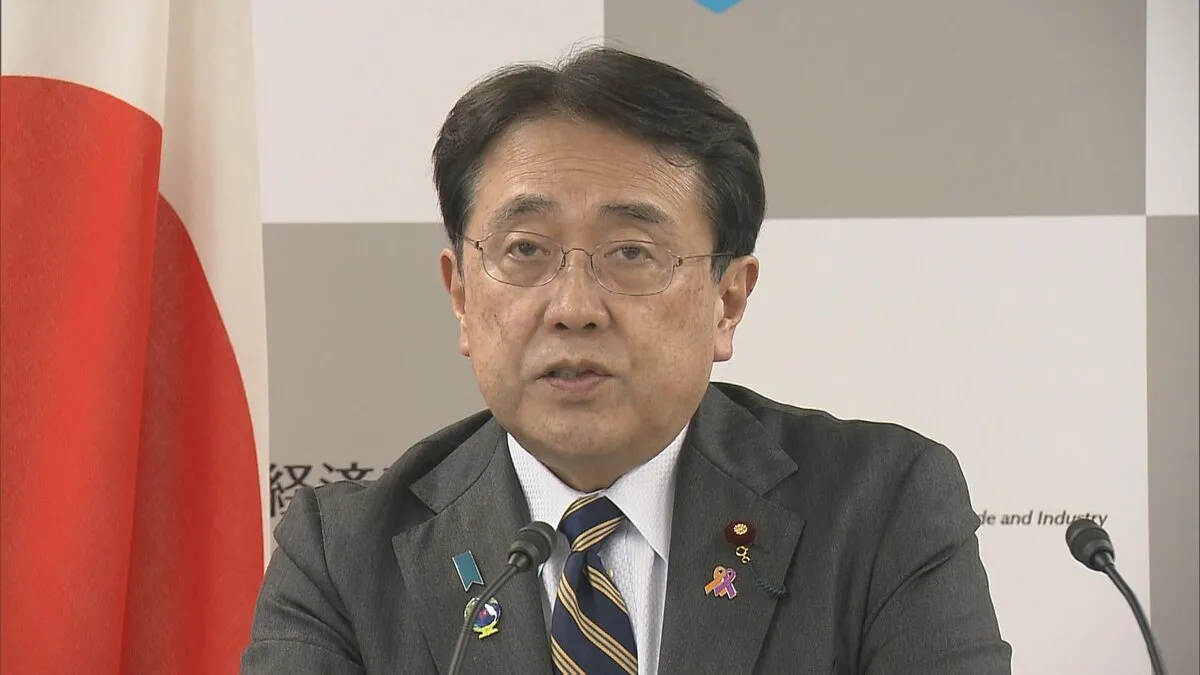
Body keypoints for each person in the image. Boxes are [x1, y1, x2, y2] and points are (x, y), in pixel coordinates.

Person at [241, 46, 1012, 675]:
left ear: (728, 300)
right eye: (526, 250)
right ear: (462, 295)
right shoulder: (343, 555)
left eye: (632, 252)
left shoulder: (880, 506)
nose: (574, 305)